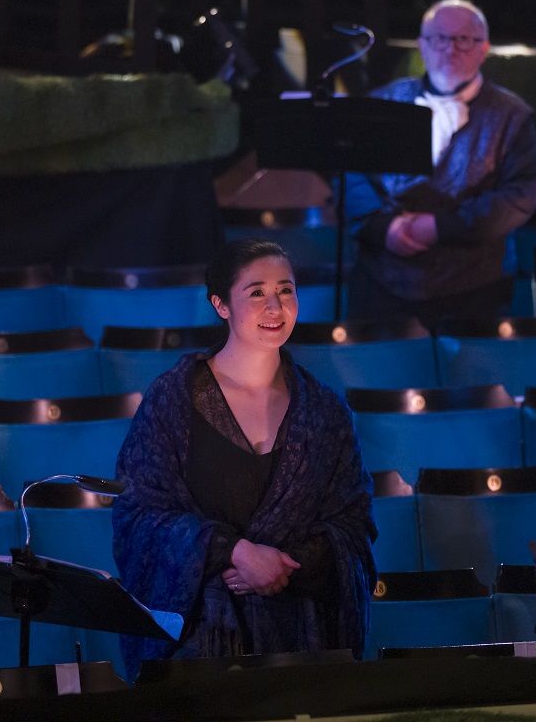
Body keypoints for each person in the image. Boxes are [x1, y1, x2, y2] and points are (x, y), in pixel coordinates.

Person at [112, 239, 375, 679]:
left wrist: (284, 567)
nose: (275, 306)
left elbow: (354, 524)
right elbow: (137, 514)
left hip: (302, 645)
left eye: (286, 290)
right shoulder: (173, 400)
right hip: (200, 645)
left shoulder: (326, 412)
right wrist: (234, 551)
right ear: (221, 305)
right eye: (256, 292)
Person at [346, 0, 536, 328]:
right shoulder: (382, 102)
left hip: (473, 293)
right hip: (382, 285)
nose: (451, 49)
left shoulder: (512, 115)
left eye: (464, 39)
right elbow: (350, 176)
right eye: (439, 38)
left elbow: (518, 197)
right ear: (422, 46)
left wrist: (438, 228)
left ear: (484, 49)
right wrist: (387, 228)